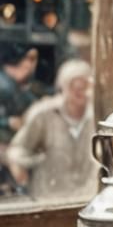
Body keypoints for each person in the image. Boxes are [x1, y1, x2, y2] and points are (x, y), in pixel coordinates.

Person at [7, 59, 98, 202]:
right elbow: (17, 150)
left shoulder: (97, 115)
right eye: (73, 85)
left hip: (86, 198)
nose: (79, 90)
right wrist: (22, 176)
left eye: (84, 85)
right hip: (48, 197)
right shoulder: (44, 114)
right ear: (62, 87)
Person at [0, 43, 39, 196]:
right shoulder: (3, 85)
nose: (31, 65)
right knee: (15, 158)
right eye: (29, 59)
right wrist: (7, 122)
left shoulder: (15, 84)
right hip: (4, 142)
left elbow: (31, 102)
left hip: (13, 139)